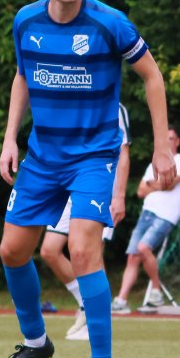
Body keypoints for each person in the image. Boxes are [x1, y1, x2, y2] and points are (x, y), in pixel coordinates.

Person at [0, 0, 176, 358]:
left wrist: (161, 149)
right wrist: (9, 138)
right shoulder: (26, 21)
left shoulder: (108, 23)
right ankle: (36, 341)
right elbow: (22, 75)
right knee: (13, 251)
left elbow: (152, 76)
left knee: (81, 249)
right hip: (41, 156)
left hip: (94, 157)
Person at [40, 103, 131, 341]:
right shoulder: (72, 98)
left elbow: (124, 153)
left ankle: (95, 322)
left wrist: (119, 196)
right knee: (49, 250)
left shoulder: (114, 106)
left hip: (99, 189)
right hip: (70, 188)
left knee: (91, 255)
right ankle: (85, 304)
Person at [112, 127, 180, 313]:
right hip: (147, 212)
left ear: (178, 141)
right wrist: (156, 184)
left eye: (171, 138)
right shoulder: (154, 164)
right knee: (133, 256)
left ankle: (156, 292)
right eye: (165, 139)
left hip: (166, 215)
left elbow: (170, 184)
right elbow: (141, 191)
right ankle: (121, 300)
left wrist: (152, 184)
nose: (168, 142)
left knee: (143, 248)